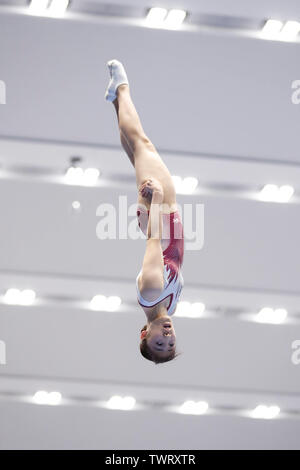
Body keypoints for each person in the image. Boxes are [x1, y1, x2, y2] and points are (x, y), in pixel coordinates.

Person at [105, 60, 184, 363]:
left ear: (144, 333)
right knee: (135, 150)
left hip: (159, 213)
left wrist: (158, 200)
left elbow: (154, 241)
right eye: (171, 345)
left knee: (141, 143)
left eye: (158, 343)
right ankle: (115, 99)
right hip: (164, 213)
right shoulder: (169, 305)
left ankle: (122, 88)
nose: (167, 338)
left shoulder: (152, 292)